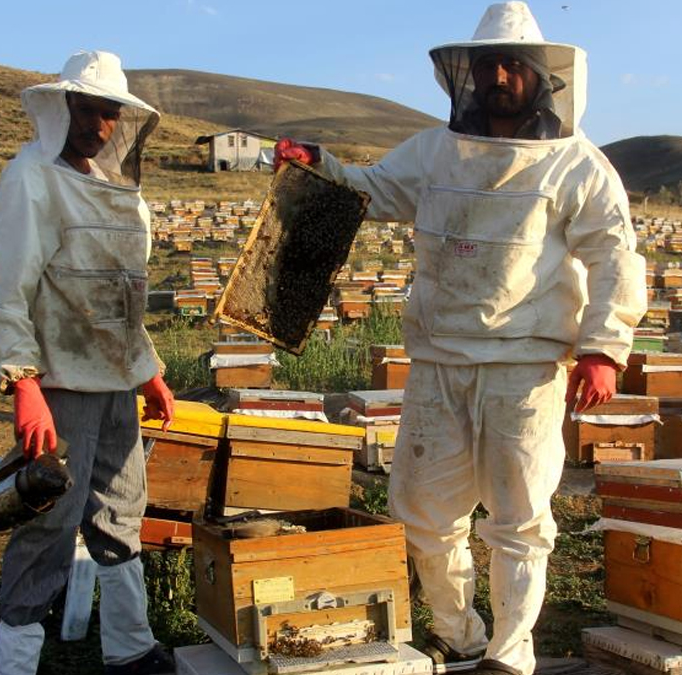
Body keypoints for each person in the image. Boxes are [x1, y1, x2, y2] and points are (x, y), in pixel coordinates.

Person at [275, 4, 646, 674]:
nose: (499, 77)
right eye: (488, 64)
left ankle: (511, 651)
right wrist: (319, 163)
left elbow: (614, 257)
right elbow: (371, 189)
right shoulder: (434, 151)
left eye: (513, 65)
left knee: (519, 516)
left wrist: (603, 349)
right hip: (440, 357)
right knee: (422, 508)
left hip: (524, 365)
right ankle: (458, 630)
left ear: (541, 76)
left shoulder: (577, 166)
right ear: (467, 74)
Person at [0, 50, 176, 675]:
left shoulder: (119, 190)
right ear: (62, 109)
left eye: (109, 114)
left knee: (122, 513)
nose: (98, 125)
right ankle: (16, 664)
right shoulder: (31, 177)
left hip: (115, 384)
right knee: (49, 525)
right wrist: (23, 384)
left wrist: (148, 371)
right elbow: (6, 289)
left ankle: (130, 648)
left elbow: (121, 298)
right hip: (59, 385)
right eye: (87, 110)